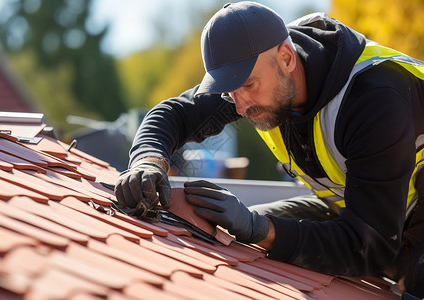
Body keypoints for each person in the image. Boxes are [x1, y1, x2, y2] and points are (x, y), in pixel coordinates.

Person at [114, 1, 424, 297]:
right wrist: (148, 162)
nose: (240, 104)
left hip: (401, 226)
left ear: (287, 58)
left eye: (248, 85)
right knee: (221, 231)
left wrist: (262, 229)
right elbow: (174, 114)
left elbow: (369, 245)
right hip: (367, 215)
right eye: (229, 90)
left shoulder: (374, 100)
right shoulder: (255, 74)